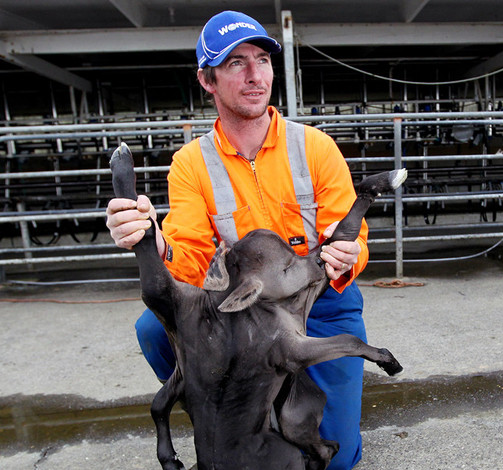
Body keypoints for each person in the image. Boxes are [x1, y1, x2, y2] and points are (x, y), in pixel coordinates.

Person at [105, 10, 369, 470]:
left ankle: (290, 399)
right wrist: (154, 241)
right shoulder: (191, 164)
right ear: (207, 81)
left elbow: (353, 237)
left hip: (317, 304)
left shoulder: (315, 148)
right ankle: (230, 411)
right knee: (153, 327)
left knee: (338, 459)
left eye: (262, 60)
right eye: (235, 64)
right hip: (240, 309)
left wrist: (349, 253)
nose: (255, 75)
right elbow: (188, 260)